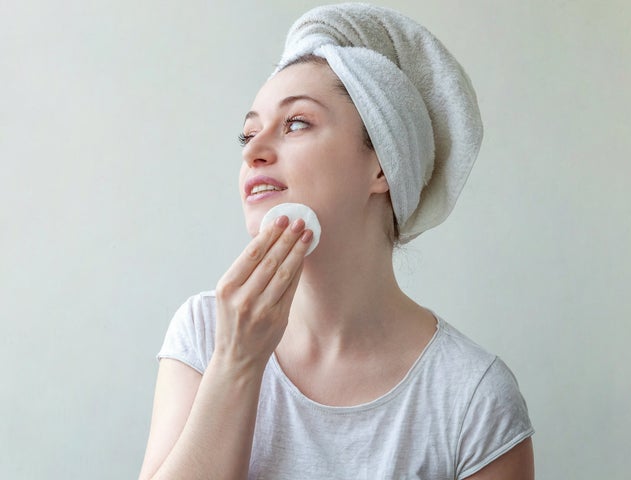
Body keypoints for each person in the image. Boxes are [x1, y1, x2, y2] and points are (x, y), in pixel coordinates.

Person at [138, 4, 534, 479]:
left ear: (382, 164)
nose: (254, 151)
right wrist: (237, 363)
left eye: (296, 123)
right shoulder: (204, 334)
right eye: (246, 134)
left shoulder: (472, 397)